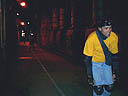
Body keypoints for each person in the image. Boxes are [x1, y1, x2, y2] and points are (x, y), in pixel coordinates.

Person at [83, 17, 119, 96]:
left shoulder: (114, 37)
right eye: (106, 28)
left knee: (110, 86)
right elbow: (87, 59)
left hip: (107, 62)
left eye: (110, 28)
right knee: (98, 88)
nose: (109, 31)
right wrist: (90, 76)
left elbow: (115, 56)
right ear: (100, 28)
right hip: (96, 64)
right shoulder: (92, 38)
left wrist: (115, 72)